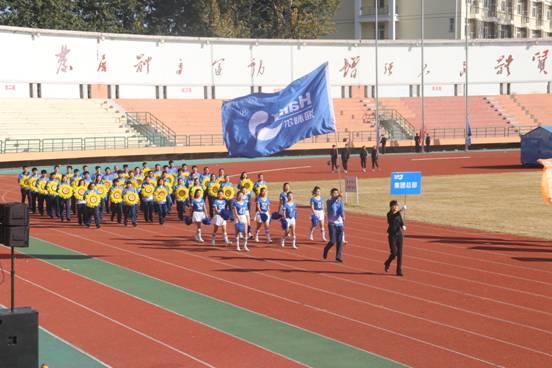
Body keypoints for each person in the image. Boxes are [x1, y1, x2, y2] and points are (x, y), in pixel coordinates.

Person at [384, 200, 407, 276]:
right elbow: (392, 219)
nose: (396, 207)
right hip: (392, 235)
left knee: (400, 253)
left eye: (397, 205)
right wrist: (401, 210)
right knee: (394, 253)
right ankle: (387, 262)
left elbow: (400, 221)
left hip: (399, 235)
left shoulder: (398, 214)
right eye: (395, 206)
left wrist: (402, 225)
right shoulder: (389, 214)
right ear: (391, 207)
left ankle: (399, 271)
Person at [323, 188, 345, 262]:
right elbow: (333, 201)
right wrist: (338, 196)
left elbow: (342, 210)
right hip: (332, 223)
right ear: (331, 194)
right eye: (334, 193)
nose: (336, 194)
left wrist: (343, 216)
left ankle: (338, 257)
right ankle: (326, 249)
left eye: (337, 193)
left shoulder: (340, 202)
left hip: (340, 224)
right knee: (332, 241)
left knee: (339, 241)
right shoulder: (329, 201)